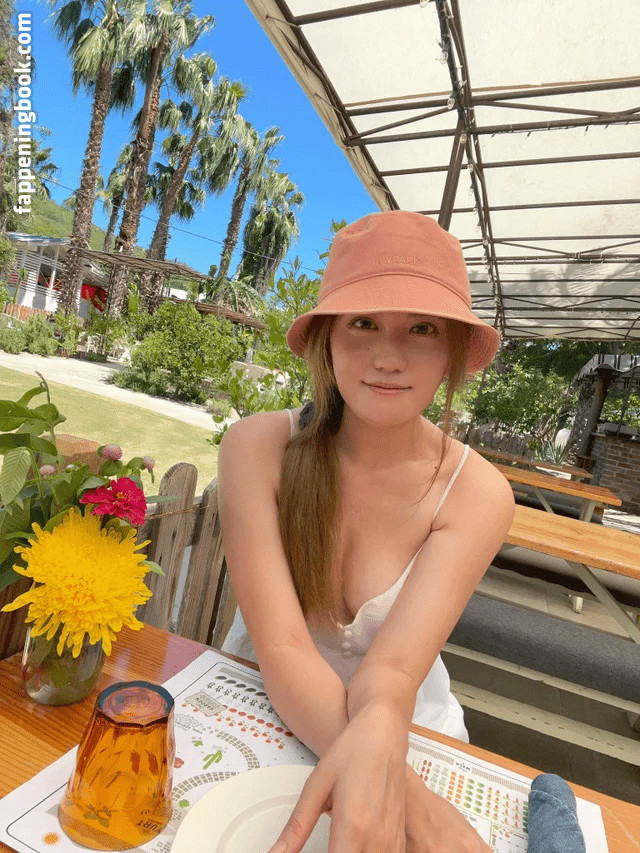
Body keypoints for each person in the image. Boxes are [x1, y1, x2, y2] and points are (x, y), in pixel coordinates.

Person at [218, 210, 515, 852]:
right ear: (326, 336)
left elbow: (395, 673)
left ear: (453, 350)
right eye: (362, 322)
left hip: (408, 733)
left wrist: (384, 743)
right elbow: (285, 650)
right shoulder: (257, 448)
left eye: (422, 328)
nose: (387, 357)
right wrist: (422, 813)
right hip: (259, 710)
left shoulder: (478, 493)